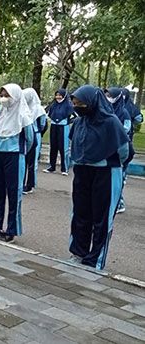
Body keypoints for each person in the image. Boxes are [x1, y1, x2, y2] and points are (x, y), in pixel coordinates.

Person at [68, 85, 130, 270]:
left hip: (106, 172)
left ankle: (95, 259)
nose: (77, 106)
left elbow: (124, 151)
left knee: (101, 218)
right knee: (80, 214)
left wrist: (106, 161)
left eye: (81, 102)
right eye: (75, 102)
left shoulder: (111, 122)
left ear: (93, 102)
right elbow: (74, 144)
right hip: (82, 170)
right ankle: (79, 252)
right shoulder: (79, 122)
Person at [0, 84, 34, 243]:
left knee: (14, 194)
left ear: (15, 97)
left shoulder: (23, 117)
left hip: (14, 156)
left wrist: (22, 153)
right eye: (1, 94)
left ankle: (12, 229)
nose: (3, 98)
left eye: (7, 95)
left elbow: (30, 138)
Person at [22, 87, 47, 194]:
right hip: (24, 134)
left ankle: (30, 184)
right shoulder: (23, 107)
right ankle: (21, 183)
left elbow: (42, 124)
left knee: (32, 161)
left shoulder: (39, 109)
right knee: (24, 160)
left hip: (35, 134)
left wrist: (36, 132)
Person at [44, 89, 75, 175]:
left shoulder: (68, 106)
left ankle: (64, 168)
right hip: (54, 126)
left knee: (63, 148)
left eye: (60, 95)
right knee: (53, 147)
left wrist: (68, 121)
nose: (58, 97)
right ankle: (52, 167)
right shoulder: (53, 105)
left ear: (64, 96)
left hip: (63, 127)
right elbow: (48, 113)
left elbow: (75, 116)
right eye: (56, 95)